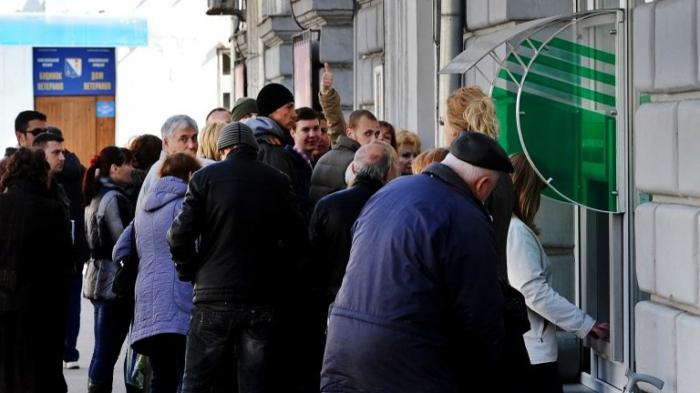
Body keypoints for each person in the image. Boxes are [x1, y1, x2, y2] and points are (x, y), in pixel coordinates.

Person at [320, 131, 513, 392]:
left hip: (342, 351)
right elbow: (479, 313)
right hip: (405, 363)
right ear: (483, 185)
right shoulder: (466, 215)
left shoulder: (391, 191)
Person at [167, 122, 308, 393]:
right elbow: (298, 240)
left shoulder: (204, 179)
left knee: (196, 380)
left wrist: (190, 270)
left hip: (212, 294)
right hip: (260, 296)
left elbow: (177, 235)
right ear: (253, 151)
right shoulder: (277, 180)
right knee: (254, 382)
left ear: (224, 150)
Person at [507, 153, 609, 393]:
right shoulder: (517, 233)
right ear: (527, 192)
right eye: (540, 192)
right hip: (532, 355)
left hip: (526, 351)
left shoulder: (506, 228)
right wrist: (584, 324)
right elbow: (533, 291)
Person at [113, 153, 201, 393]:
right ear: (191, 175)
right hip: (179, 298)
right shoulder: (186, 205)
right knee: (183, 375)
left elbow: (119, 250)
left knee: (160, 376)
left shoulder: (142, 209)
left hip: (146, 301)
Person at [0, 148, 73, 393]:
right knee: (38, 374)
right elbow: (63, 266)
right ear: (41, 174)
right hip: (40, 307)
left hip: (4, 302)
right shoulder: (50, 210)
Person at [310, 141, 398, 306]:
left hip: (333, 294)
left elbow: (314, 254)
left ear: (354, 168)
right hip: (376, 297)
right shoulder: (394, 205)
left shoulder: (328, 204)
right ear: (387, 173)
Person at [33, 128, 89, 369]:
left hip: (59, 258)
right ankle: (69, 352)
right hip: (73, 254)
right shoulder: (80, 173)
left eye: (61, 152)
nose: (62, 158)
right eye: (56, 152)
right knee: (70, 305)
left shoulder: (49, 182)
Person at [82, 146, 135, 393]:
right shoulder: (114, 198)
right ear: (114, 168)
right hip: (113, 282)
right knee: (106, 351)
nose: (132, 169)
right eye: (128, 164)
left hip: (96, 277)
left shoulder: (96, 194)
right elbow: (121, 240)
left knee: (102, 349)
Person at [309, 109, 381, 205]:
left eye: (376, 134)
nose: (374, 140)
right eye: (368, 133)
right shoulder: (358, 163)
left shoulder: (324, 157)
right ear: (350, 133)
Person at [135, 115, 198, 212]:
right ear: (166, 143)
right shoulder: (160, 171)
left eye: (194, 138)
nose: (191, 145)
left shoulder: (192, 167)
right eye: (183, 139)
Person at [244, 83, 298, 177]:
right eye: (289, 107)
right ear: (271, 111)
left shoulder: (257, 138)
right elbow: (279, 188)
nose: (294, 115)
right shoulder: (270, 146)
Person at [285, 107, 322, 220]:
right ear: (292, 132)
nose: (312, 134)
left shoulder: (317, 162)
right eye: (305, 130)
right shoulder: (287, 163)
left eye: (316, 128)